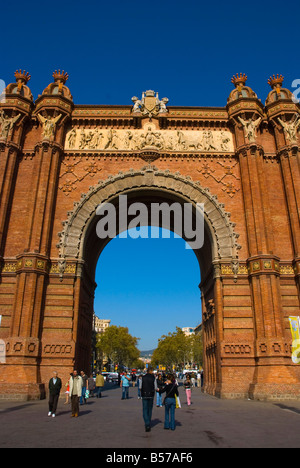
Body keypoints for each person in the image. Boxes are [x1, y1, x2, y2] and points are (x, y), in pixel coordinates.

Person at [141, 367, 157, 432]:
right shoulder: (153, 378)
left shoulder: (143, 377)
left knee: (144, 409)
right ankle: (148, 422)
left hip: (144, 394)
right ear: (151, 371)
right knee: (150, 409)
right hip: (151, 394)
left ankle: (147, 423)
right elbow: (155, 387)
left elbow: (140, 386)